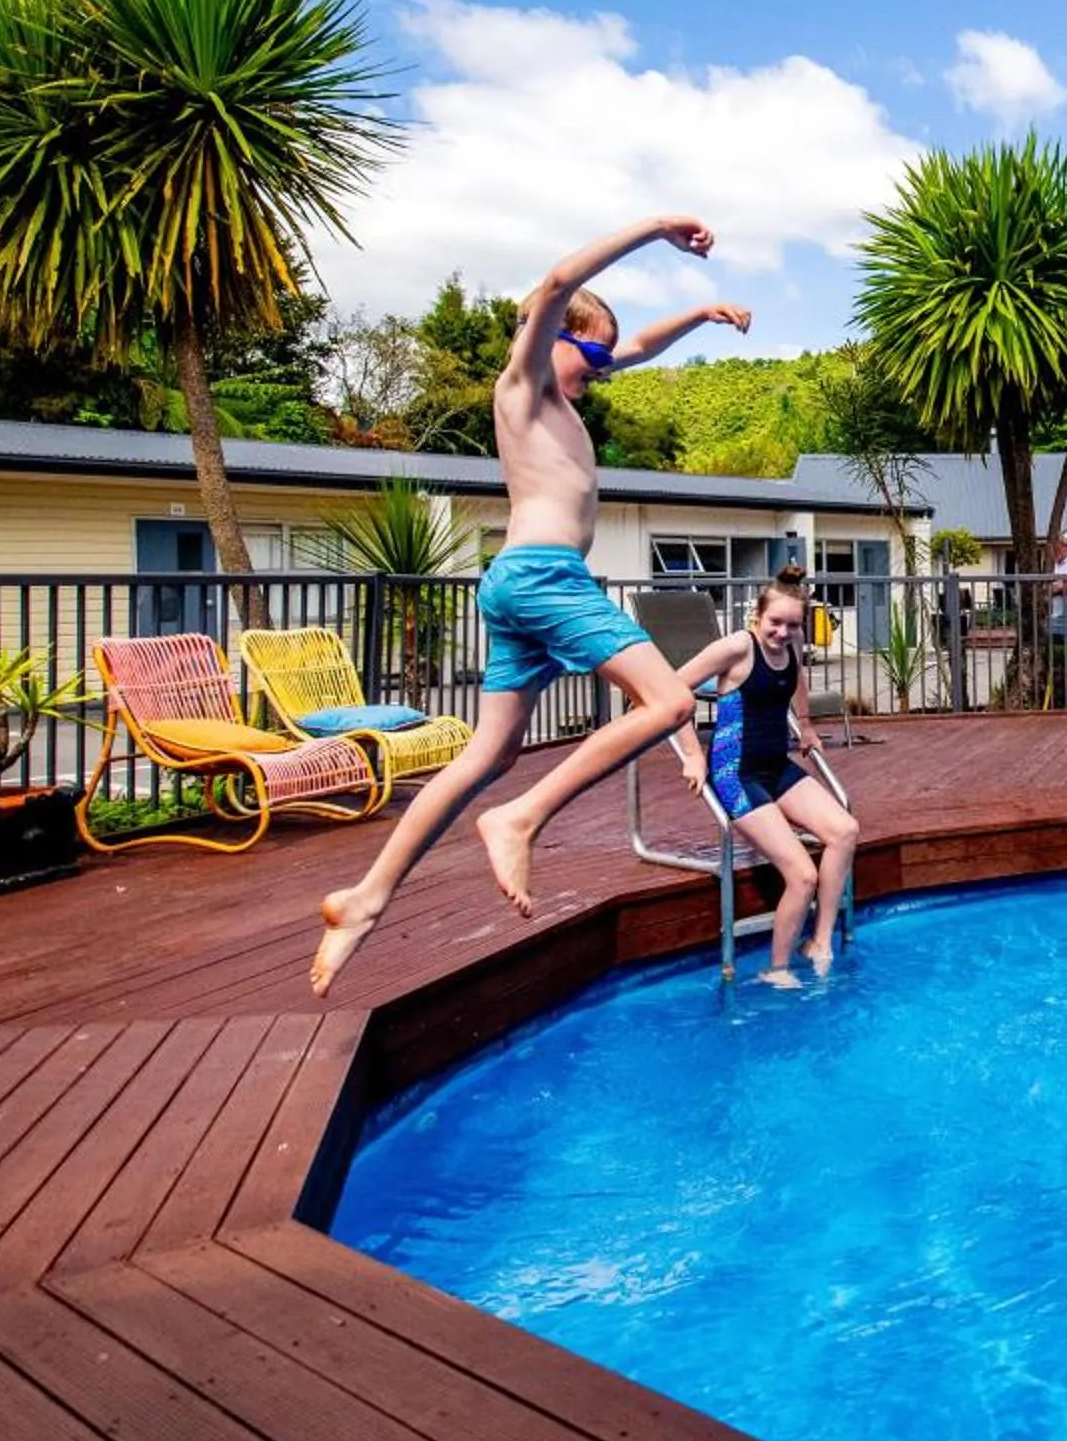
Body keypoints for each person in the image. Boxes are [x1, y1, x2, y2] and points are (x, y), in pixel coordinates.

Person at [311, 211, 745, 995]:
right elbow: (555, 284)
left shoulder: (565, 399)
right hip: (546, 578)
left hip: (521, 582)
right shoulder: (522, 383)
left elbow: (640, 346)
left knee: (489, 754)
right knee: (671, 702)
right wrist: (655, 230)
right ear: (550, 336)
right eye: (592, 350)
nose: (603, 366)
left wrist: (703, 314)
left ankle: (365, 900)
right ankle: (522, 817)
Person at [669, 565, 859, 988]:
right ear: (757, 617)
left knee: (845, 830)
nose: (782, 631)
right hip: (734, 775)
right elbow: (673, 690)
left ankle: (820, 941)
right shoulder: (737, 647)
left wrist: (806, 725)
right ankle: (776, 968)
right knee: (802, 874)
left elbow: (798, 682)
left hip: (776, 768)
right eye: (775, 622)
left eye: (792, 625)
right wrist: (692, 754)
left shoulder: (791, 648)